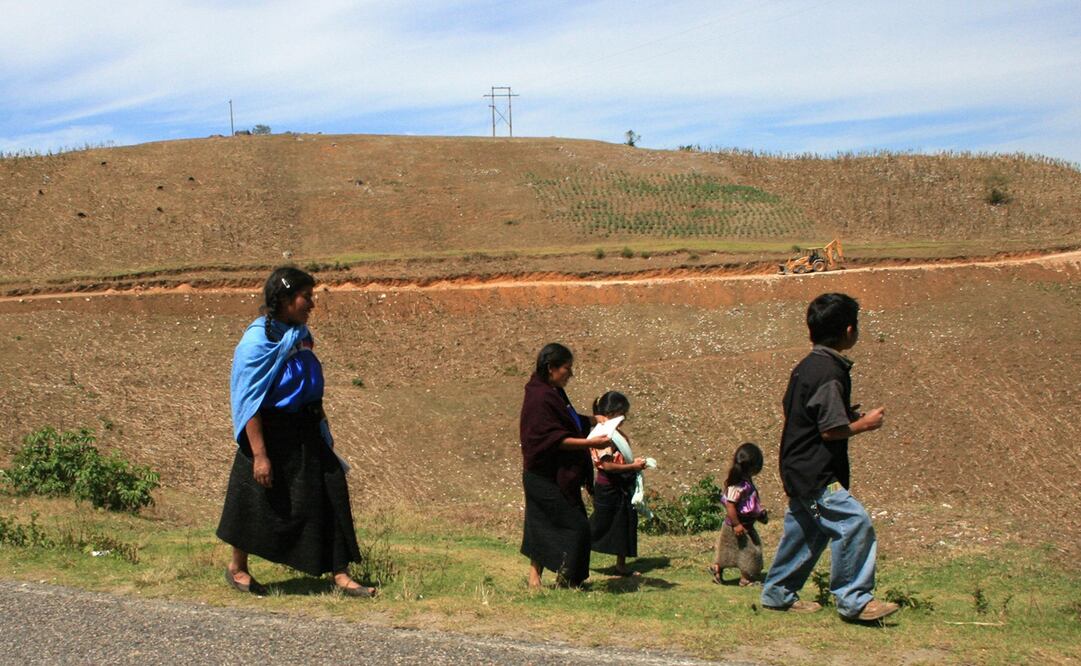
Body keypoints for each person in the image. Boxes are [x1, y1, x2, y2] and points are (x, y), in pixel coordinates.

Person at [217, 267, 375, 598]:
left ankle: (340, 573)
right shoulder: (257, 343)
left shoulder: (299, 334)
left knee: (331, 489)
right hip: (269, 431)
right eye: (306, 297)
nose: (312, 304)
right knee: (253, 496)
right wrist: (260, 455)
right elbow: (250, 401)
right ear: (286, 300)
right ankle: (238, 567)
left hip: (305, 427)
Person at [760, 293, 897, 621]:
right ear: (849, 330)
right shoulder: (829, 372)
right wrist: (863, 424)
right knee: (853, 522)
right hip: (815, 471)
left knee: (807, 529)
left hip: (797, 464)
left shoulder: (808, 367)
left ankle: (777, 593)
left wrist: (842, 414)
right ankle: (854, 600)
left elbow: (802, 411)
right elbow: (829, 431)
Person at [519, 343, 611, 588]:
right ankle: (568, 579)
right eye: (567, 369)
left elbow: (566, 421)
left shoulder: (553, 392)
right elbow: (550, 438)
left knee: (540, 524)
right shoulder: (539, 397)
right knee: (577, 527)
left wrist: (593, 420)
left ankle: (537, 580)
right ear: (551, 368)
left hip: (556, 475)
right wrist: (589, 442)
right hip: (543, 474)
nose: (570, 374)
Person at [588, 391, 648, 577]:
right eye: (623, 413)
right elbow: (606, 465)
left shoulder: (617, 434)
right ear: (614, 412)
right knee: (599, 525)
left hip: (622, 486)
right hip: (608, 487)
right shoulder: (604, 435)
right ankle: (574, 551)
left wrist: (632, 464)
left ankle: (621, 566)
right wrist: (632, 465)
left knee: (625, 524)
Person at [709, 442, 768, 586]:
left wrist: (759, 514)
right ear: (754, 467)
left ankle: (717, 569)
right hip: (737, 525)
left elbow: (748, 504)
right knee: (749, 553)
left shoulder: (747, 482)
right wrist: (736, 524)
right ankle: (745, 578)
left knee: (733, 551)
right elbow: (730, 505)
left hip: (746, 524)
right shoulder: (737, 485)